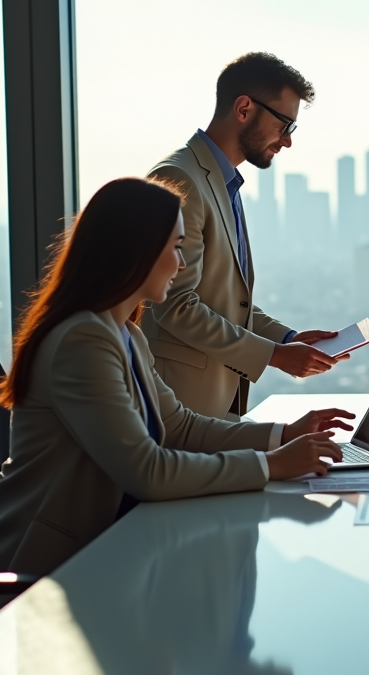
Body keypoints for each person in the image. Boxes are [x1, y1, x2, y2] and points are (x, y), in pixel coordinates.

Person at [0, 178, 353, 624]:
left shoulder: (123, 332)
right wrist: (272, 466)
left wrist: (284, 435)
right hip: (36, 584)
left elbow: (181, 427)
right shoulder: (83, 341)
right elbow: (147, 472)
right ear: (137, 252)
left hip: (100, 558)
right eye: (176, 247)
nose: (181, 263)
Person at [140, 52, 344, 419]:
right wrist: (275, 356)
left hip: (212, 404)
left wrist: (287, 339)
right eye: (285, 125)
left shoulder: (221, 182)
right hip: (181, 406)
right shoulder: (181, 179)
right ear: (245, 108)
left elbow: (226, 303)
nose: (287, 141)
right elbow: (176, 305)